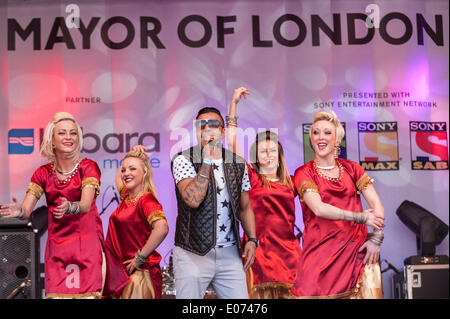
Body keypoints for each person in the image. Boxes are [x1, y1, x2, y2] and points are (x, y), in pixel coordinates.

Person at [0, 112, 106, 298]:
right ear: (51, 139)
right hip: (58, 250)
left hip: (86, 247)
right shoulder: (42, 173)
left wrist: (70, 207)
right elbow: (27, 210)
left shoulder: (88, 167)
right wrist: (20, 211)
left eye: (73, 133)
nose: (68, 137)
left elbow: (86, 204)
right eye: (62, 133)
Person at [291, 110, 385, 299]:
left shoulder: (352, 169)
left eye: (327, 132)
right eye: (316, 132)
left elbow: (376, 204)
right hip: (319, 258)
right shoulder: (304, 172)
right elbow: (319, 208)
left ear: (337, 140)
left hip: (357, 255)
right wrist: (360, 216)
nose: (320, 137)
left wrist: (376, 238)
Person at [170, 106, 257, 299]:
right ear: (197, 131)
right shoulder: (183, 159)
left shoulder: (237, 163)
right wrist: (207, 161)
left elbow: (245, 207)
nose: (208, 129)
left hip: (230, 253)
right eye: (203, 126)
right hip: (192, 253)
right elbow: (193, 200)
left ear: (223, 131)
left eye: (214, 125)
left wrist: (251, 239)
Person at [226, 87, 301, 299]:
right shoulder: (252, 178)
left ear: (280, 155)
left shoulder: (293, 182)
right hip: (258, 253)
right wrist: (234, 104)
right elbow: (231, 143)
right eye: (262, 151)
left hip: (290, 256)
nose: (268, 155)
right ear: (256, 157)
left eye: (272, 151)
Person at [103, 148, 169, 299]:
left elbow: (162, 227)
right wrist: (131, 153)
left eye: (133, 169)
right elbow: (119, 178)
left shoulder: (146, 200)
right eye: (124, 169)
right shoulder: (126, 197)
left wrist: (140, 257)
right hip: (123, 275)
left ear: (145, 172)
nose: (126, 173)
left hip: (138, 276)